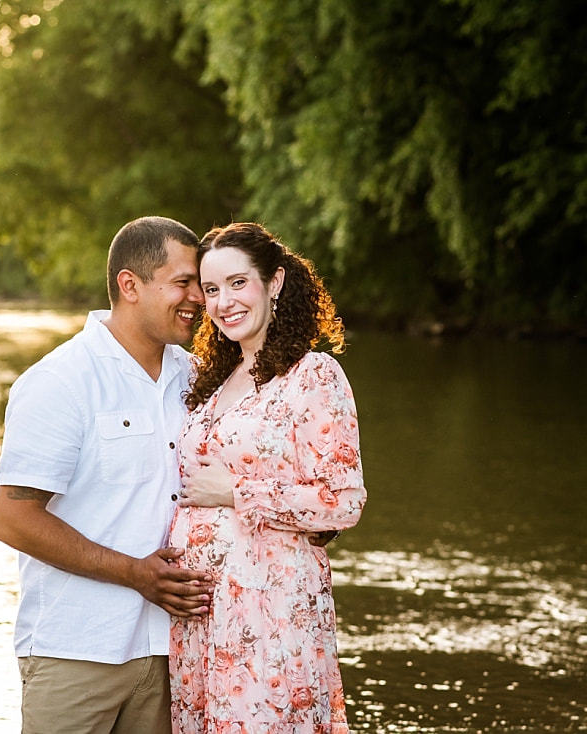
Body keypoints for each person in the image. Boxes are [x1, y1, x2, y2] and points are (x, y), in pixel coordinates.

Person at [0, 216, 216, 734]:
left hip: (172, 653)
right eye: (183, 283)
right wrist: (135, 573)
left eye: (200, 285)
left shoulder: (199, 377)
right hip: (76, 649)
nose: (198, 299)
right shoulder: (59, 381)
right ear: (130, 285)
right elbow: (13, 520)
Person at [169, 221, 366, 733]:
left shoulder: (313, 376)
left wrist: (238, 493)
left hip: (270, 612)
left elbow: (342, 500)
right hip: (201, 615)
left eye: (238, 283)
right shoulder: (209, 381)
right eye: (211, 289)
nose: (223, 302)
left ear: (274, 282)